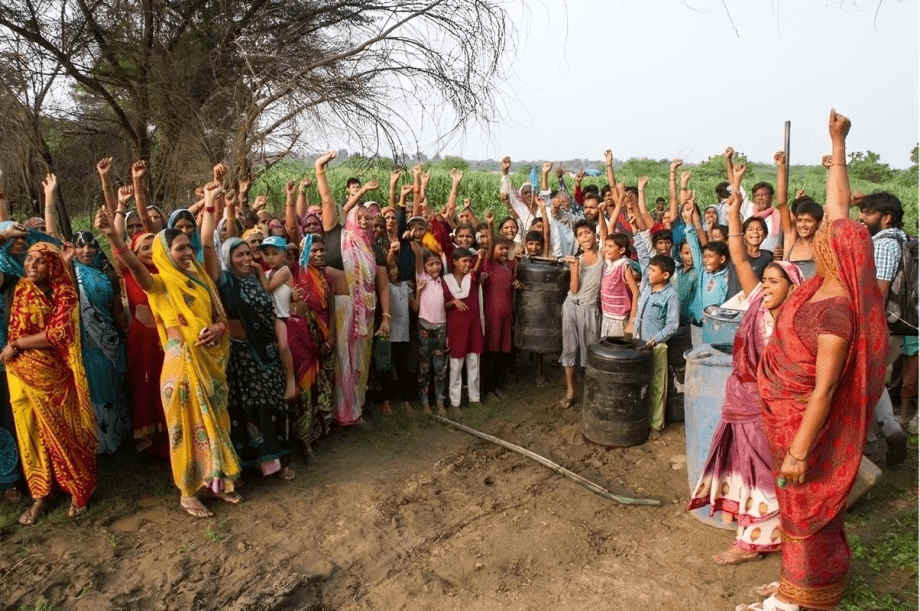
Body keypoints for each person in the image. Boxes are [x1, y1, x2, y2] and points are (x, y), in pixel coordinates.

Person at [746, 110, 887, 611]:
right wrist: (838, 143)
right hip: (784, 416)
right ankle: (794, 581)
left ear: (839, 254)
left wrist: (801, 451)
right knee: (794, 506)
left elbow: (825, 390)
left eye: (827, 237)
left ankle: (802, 596)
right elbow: (838, 209)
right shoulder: (822, 284)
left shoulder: (836, 312)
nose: (820, 236)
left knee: (808, 507)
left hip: (806, 428)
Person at [96, 193, 242, 519]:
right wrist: (112, 236)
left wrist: (218, 330)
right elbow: (133, 264)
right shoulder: (158, 284)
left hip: (210, 367)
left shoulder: (201, 280)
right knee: (186, 431)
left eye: (189, 247)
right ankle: (188, 493)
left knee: (215, 424)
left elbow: (219, 318)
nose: (188, 252)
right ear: (166, 253)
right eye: (180, 248)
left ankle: (216, 484)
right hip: (182, 370)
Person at [689, 163, 805, 567]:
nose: (767, 287)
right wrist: (734, 205)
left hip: (771, 409)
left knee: (763, 471)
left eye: (775, 282)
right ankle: (755, 535)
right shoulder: (756, 302)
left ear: (792, 288)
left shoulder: (795, 323)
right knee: (746, 467)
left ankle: (755, 540)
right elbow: (738, 254)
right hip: (742, 399)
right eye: (766, 281)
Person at [3, 242, 97, 525]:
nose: (31, 264)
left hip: (52, 376)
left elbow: (58, 334)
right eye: (29, 259)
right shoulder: (21, 289)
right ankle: (41, 493)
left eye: (40, 261)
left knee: (62, 432)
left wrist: (18, 344)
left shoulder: (65, 293)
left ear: (53, 265)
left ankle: (79, 488)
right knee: (29, 432)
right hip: (19, 373)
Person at [857, 190, 910, 465]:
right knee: (876, 384)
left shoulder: (884, 245)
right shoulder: (904, 239)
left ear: (886, 218)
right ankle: (891, 430)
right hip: (900, 325)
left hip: (881, 326)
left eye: (868, 213)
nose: (862, 217)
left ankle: (869, 445)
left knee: (865, 385)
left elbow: (878, 291)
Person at [71, 230, 130, 454]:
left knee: (113, 385)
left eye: (91, 246)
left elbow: (116, 310)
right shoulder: (72, 274)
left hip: (110, 340)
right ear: (74, 250)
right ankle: (101, 440)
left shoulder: (107, 275)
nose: (87, 250)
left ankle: (119, 433)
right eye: (81, 246)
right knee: (97, 388)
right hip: (88, 342)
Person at [288, 235, 336, 453]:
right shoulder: (296, 276)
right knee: (305, 393)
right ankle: (304, 442)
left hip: (325, 341)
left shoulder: (326, 278)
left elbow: (331, 309)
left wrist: (331, 337)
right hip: (302, 343)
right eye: (314, 250)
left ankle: (320, 432)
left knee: (324, 388)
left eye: (321, 250)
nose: (319, 254)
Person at [121, 231, 167, 455]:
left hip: (166, 339)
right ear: (134, 253)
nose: (150, 252)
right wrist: (118, 208)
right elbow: (117, 248)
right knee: (144, 385)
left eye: (154, 246)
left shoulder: (168, 272)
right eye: (145, 248)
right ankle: (146, 437)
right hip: (142, 341)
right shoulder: (130, 273)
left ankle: (167, 434)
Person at [559, 219, 603, 408]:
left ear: (595, 234)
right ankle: (570, 390)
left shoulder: (603, 256)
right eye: (580, 235)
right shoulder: (576, 259)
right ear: (577, 239)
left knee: (591, 349)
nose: (585, 237)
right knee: (569, 348)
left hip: (589, 308)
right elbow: (574, 288)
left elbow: (606, 232)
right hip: (571, 305)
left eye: (587, 233)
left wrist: (601, 211)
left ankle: (592, 390)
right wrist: (574, 267)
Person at [444, 247, 485, 410]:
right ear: (454, 262)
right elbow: (443, 305)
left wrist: (480, 257)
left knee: (474, 362)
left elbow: (479, 265)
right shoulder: (445, 280)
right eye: (464, 261)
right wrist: (453, 302)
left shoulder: (472, 277)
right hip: (456, 329)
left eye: (470, 261)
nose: (468, 264)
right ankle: (455, 401)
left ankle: (475, 398)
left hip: (473, 327)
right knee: (456, 365)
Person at [260, 235, 298, 401]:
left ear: (284, 254)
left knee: (283, 346)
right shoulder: (267, 273)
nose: (270, 257)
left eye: (274, 253)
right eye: (267, 254)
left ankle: (291, 380)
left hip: (282, 317)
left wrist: (257, 269)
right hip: (271, 317)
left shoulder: (284, 271)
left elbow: (267, 288)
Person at [412, 250, 448, 415]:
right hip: (424, 327)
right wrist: (418, 246)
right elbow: (419, 259)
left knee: (440, 368)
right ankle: (425, 401)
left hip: (441, 327)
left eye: (437, 263)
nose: (435, 267)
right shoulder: (422, 279)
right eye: (430, 264)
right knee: (425, 367)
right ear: (424, 267)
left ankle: (440, 401)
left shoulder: (443, 281)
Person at [481, 237, 517, 399]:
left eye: (506, 249)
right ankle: (488, 388)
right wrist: (489, 225)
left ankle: (497, 385)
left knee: (503, 352)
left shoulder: (510, 266)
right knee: (491, 352)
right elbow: (489, 250)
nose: (504, 251)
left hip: (506, 316)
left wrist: (517, 285)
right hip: (492, 316)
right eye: (500, 248)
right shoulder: (489, 265)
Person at [597, 198, 638, 339]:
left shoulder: (623, 266)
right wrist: (601, 213)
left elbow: (636, 292)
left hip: (620, 319)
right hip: (607, 316)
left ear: (621, 250)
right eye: (606, 246)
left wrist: (631, 321)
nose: (606, 249)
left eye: (610, 247)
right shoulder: (608, 262)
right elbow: (603, 233)